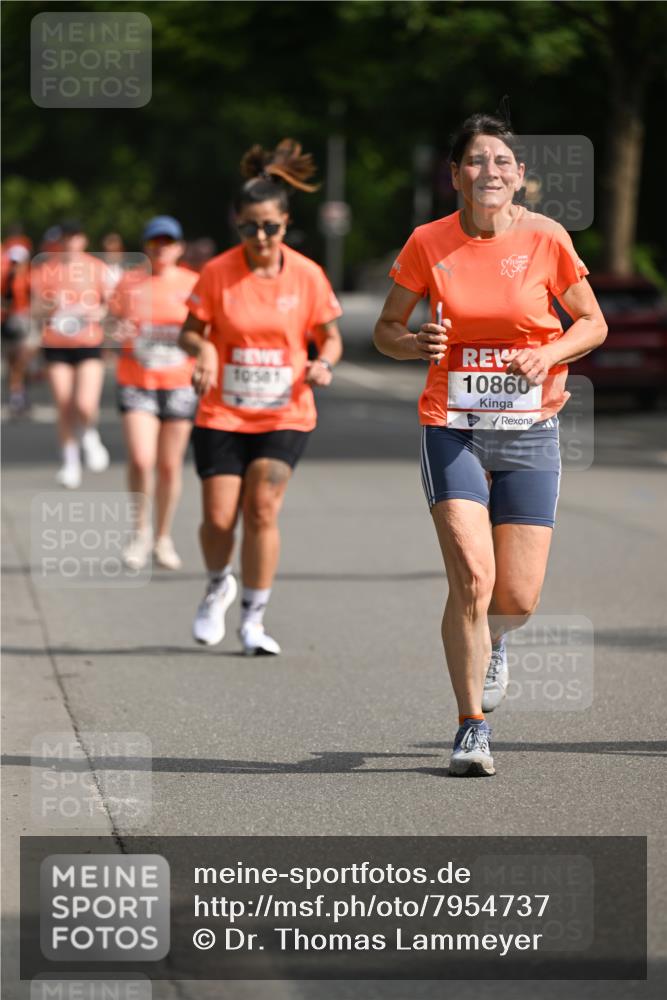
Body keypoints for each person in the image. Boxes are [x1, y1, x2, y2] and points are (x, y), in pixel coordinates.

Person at [373, 113, 607, 777]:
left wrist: (550, 352)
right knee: (472, 578)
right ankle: (469, 727)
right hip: (453, 426)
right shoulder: (428, 242)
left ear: (519, 175)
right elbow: (387, 330)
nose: (489, 173)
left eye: (501, 162)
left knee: (516, 598)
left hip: (530, 431)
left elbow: (591, 323)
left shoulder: (545, 238)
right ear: (454, 175)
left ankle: (495, 639)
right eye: (475, 162)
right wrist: (414, 342)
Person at [178, 139, 343, 655]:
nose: (261, 236)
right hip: (222, 410)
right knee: (218, 519)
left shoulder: (308, 274)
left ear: (286, 222)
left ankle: (253, 619)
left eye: (270, 226)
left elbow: (330, 335)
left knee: (263, 509)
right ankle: (216, 585)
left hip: (285, 411)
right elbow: (189, 330)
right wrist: (203, 349)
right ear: (237, 223)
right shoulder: (218, 273)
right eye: (250, 227)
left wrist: (323, 362)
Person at [110, 216, 199, 570]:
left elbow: (207, 329)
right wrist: (116, 330)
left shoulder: (194, 283)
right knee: (140, 458)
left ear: (179, 247)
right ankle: (140, 531)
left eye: (168, 242)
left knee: (168, 465)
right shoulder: (129, 283)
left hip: (179, 382)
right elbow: (110, 322)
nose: (161, 249)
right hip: (137, 379)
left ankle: (163, 537)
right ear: (146, 247)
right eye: (155, 243)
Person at [31, 221, 112, 488]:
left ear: (83, 240)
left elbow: (111, 305)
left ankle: (88, 432)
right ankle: (70, 461)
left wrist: (96, 313)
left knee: (85, 404)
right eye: (65, 238)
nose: (70, 243)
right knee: (64, 404)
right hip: (56, 344)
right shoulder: (45, 270)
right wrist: (48, 307)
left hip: (88, 342)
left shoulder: (97, 268)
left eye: (74, 237)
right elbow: (34, 311)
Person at [1, 242, 35, 415]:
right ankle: (17, 394)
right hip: (9, 323)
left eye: (19, 262)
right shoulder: (5, 279)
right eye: (13, 262)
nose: (16, 266)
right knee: (12, 361)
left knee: (22, 360)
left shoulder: (31, 277)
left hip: (26, 322)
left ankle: (19, 392)